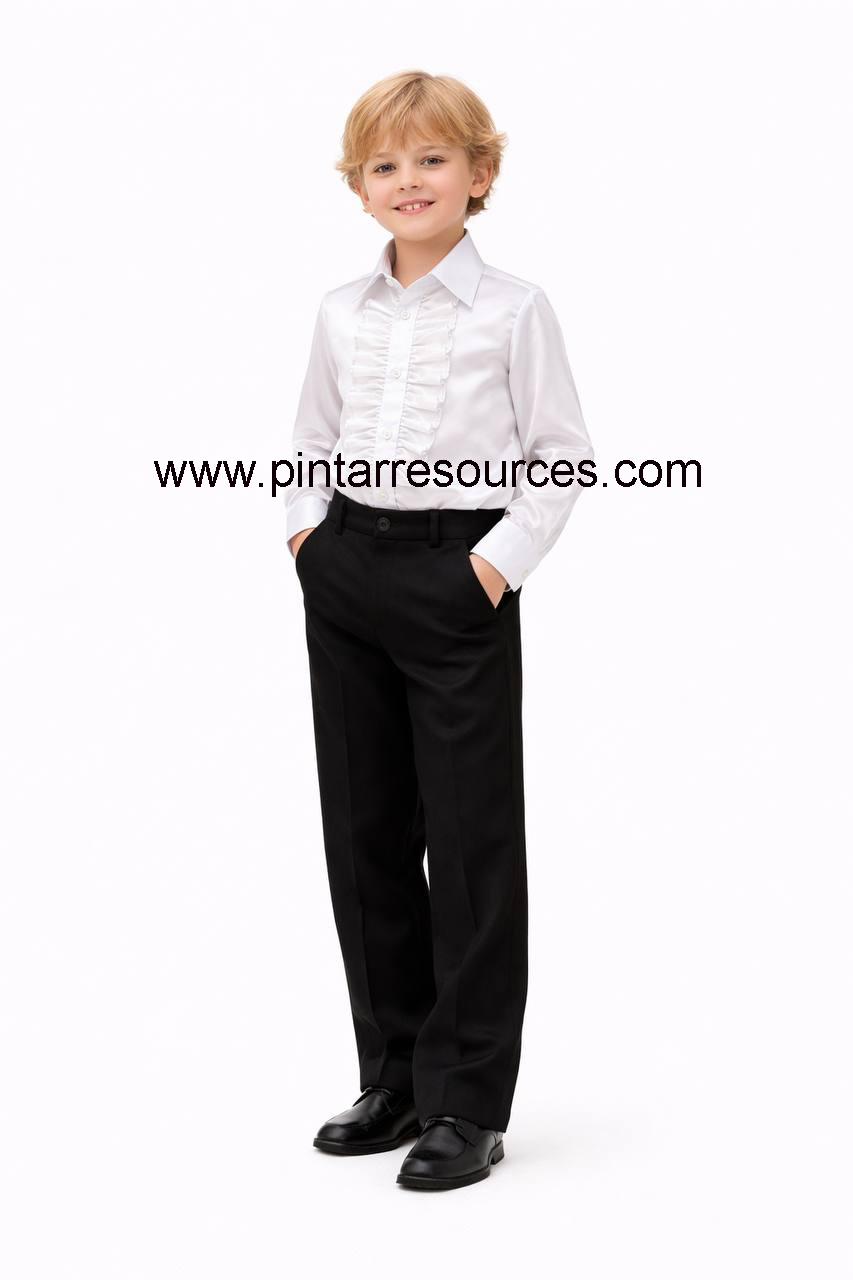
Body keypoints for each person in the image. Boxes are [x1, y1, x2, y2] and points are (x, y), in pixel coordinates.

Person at [285, 70, 594, 1191]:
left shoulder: (513, 309)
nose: (407, 180)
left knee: (467, 841)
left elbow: (559, 455)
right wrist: (308, 541)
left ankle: (467, 1097)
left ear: (480, 174)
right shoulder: (339, 309)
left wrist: (488, 570)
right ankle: (395, 1076)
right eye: (384, 164)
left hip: (456, 577)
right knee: (364, 828)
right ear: (358, 186)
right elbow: (310, 437)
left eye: (431, 159)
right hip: (347, 566)